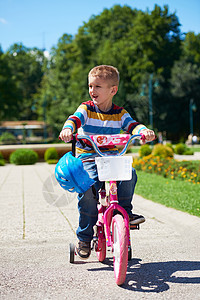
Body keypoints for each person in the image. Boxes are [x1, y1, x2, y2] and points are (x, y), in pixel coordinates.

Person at [59, 65, 155, 259]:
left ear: (113, 90)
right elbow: (74, 119)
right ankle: (85, 238)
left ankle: (126, 213)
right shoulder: (86, 108)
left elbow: (133, 125)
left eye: (97, 87)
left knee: (130, 173)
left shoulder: (120, 113)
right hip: (88, 158)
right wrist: (68, 129)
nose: (92, 91)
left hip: (111, 158)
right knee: (88, 193)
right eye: (90, 86)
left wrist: (143, 131)